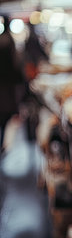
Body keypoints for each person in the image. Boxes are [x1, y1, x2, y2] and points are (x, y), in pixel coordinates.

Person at [0, 15, 24, 153]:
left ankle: (2, 142)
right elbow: (16, 66)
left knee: (3, 116)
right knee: (4, 116)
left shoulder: (3, 39)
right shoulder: (9, 41)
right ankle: (2, 143)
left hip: (4, 85)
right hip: (7, 86)